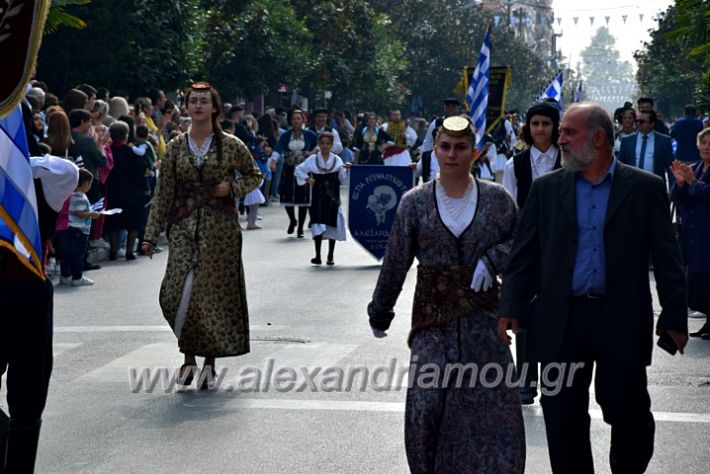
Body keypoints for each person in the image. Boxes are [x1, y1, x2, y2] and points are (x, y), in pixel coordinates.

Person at [498, 103, 688, 473]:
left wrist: (675, 316)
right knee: (562, 416)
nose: (561, 139)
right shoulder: (546, 189)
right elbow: (524, 256)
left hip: (620, 317)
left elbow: (668, 259)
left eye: (569, 132)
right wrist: (510, 307)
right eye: (561, 132)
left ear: (598, 138)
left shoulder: (644, 188)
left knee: (629, 412)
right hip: (561, 321)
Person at [368, 116, 524, 473]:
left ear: (476, 151)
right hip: (432, 322)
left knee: (490, 407)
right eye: (445, 147)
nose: (452, 154)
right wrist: (381, 311)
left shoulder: (498, 200)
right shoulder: (415, 203)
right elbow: (396, 259)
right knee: (427, 406)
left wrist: (492, 258)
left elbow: (522, 245)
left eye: (461, 147)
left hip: (483, 322)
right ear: (435, 150)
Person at [140, 82, 262, 389]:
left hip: (220, 230)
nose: (198, 106)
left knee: (210, 298)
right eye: (193, 101)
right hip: (183, 226)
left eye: (204, 101)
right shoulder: (177, 147)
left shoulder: (232, 145)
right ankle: (189, 353)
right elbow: (164, 191)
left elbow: (254, 175)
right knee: (174, 293)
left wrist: (230, 188)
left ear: (214, 108)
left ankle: (203, 361)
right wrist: (150, 235)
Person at [501, 101, 561, 405]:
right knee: (522, 315)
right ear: (528, 127)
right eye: (535, 124)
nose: (540, 130)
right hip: (525, 247)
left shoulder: (569, 161)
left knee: (553, 314)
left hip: (561, 247)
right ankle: (526, 381)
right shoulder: (516, 165)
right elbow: (509, 209)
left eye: (546, 124)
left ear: (556, 127)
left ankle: (552, 379)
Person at [670, 128, 710, 339]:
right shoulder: (694, 168)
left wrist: (693, 183)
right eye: (703, 142)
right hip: (692, 233)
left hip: (707, 232)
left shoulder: (695, 174)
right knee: (697, 278)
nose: (707, 147)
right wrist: (679, 183)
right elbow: (678, 199)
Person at [295, 132, 351, 265]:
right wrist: (307, 178)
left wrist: (347, 170)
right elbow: (298, 170)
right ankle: (318, 255)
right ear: (319, 145)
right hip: (318, 195)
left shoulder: (337, 160)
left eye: (328, 143)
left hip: (332, 196)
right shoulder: (313, 159)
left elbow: (342, 180)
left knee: (332, 223)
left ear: (332, 145)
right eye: (322, 143)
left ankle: (330, 255)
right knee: (318, 222)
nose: (325, 146)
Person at [105, 121, 151, 260]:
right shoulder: (132, 151)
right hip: (132, 192)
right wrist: (145, 188)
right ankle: (129, 251)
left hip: (113, 191)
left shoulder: (108, 151)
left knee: (113, 222)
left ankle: (114, 250)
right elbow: (144, 171)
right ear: (126, 135)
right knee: (133, 223)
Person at [268, 109, 318, 238]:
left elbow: (320, 143)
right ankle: (292, 220)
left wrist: (312, 152)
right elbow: (278, 148)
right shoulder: (286, 135)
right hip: (289, 168)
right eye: (294, 119)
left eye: (298, 118)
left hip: (304, 168)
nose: (296, 121)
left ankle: (300, 227)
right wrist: (273, 162)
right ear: (291, 121)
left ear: (302, 120)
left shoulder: (309, 134)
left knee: (303, 197)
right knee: (287, 194)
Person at [55, 168, 100, 286]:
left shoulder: (69, 195)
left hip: (67, 229)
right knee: (77, 256)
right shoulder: (80, 196)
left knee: (66, 255)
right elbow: (79, 213)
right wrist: (92, 214)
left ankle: (65, 276)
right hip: (78, 230)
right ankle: (77, 277)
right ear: (86, 183)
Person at [617, 109, 674, 186]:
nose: (638, 123)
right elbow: (620, 165)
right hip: (632, 186)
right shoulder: (627, 141)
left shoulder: (663, 141)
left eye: (642, 121)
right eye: (637, 121)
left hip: (655, 187)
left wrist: (672, 191)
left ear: (652, 124)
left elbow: (670, 168)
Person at [417, 98, 461, 182]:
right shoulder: (436, 123)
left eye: (453, 106)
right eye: (448, 106)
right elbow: (427, 144)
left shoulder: (463, 123)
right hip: (438, 159)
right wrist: (422, 163)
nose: (451, 108)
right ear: (444, 108)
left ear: (458, 108)